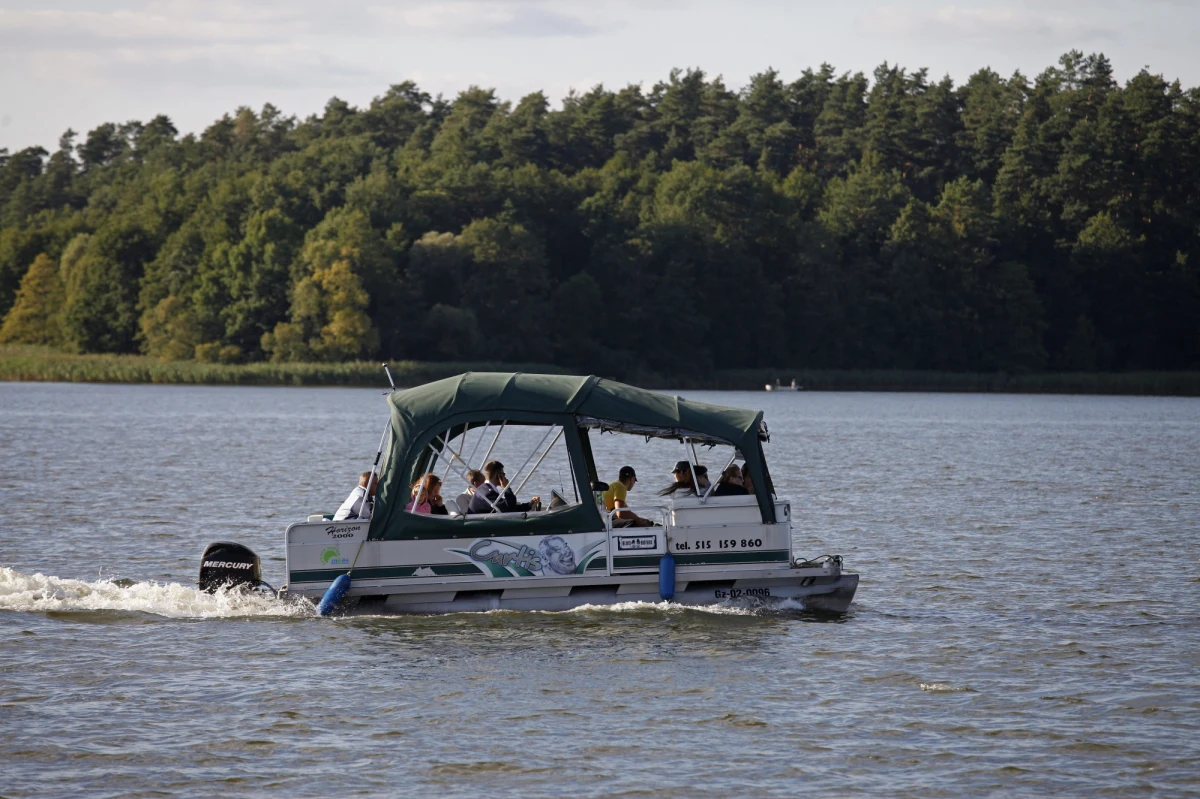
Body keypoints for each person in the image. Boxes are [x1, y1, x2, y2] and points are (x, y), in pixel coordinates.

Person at [467, 460, 541, 514]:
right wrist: (506, 488)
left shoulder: (485, 489)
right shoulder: (487, 493)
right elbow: (509, 509)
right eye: (503, 474)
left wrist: (529, 505)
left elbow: (506, 505)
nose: (505, 477)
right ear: (498, 476)